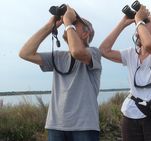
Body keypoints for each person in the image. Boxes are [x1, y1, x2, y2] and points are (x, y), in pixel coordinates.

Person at [19, 5, 101, 141]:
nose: (67, 26)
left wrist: (68, 22)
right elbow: (25, 53)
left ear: (86, 34)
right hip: (56, 125)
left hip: (84, 127)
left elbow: (77, 52)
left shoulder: (94, 53)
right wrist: (50, 25)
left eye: (75, 24)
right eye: (67, 24)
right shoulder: (58, 57)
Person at [99, 4, 151, 141]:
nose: (141, 23)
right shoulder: (131, 53)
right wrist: (123, 23)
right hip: (131, 113)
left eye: (146, 21)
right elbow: (103, 50)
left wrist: (139, 20)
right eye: (141, 22)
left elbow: (150, 46)